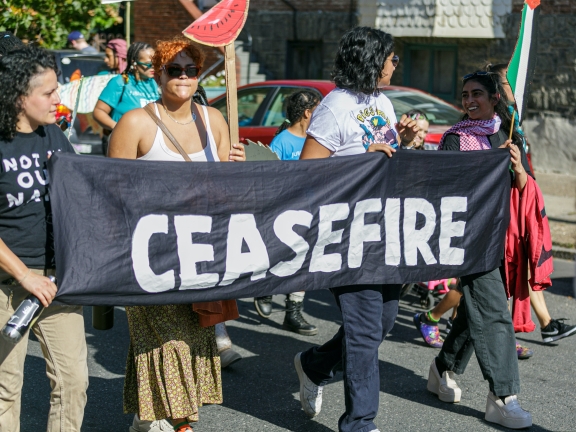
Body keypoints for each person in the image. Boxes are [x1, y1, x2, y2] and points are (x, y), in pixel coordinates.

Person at [108, 36, 245, 432]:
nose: (182, 77)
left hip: (201, 253)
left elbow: (227, 195)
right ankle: (181, 423)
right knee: (169, 340)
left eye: (190, 70)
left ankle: (147, 415)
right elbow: (111, 192)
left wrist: (235, 167)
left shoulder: (213, 120)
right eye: (173, 69)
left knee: (189, 339)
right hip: (150, 255)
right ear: (157, 73)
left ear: (200, 76)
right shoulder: (135, 122)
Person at [293, 27, 419, 432]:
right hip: (345, 233)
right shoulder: (335, 105)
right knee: (365, 332)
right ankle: (360, 423)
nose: (395, 63)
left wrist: (402, 141)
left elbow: (380, 153)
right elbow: (308, 173)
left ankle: (314, 365)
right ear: (370, 58)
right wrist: (364, 158)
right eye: (391, 56)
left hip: (383, 229)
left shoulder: (380, 101)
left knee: (381, 323)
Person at [428, 70, 533, 429]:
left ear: (494, 99)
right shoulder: (455, 139)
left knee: (476, 312)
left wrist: (516, 167)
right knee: (493, 313)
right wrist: (489, 164)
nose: (470, 101)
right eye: (465, 95)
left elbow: (524, 188)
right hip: (471, 239)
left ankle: (442, 369)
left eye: (477, 94)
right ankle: (503, 397)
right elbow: (447, 188)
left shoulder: (509, 134)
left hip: (505, 240)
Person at [0, 46, 88, 432]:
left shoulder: (54, 135)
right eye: (49, 92)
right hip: (7, 283)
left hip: (56, 281)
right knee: (5, 388)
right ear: (20, 97)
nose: (59, 99)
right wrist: (24, 275)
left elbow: (85, 193)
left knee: (73, 383)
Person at [254, 90, 320, 335]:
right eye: (319, 109)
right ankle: (264, 289)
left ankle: (293, 311)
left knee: (303, 259)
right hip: (282, 211)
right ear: (307, 113)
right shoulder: (282, 141)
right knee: (277, 255)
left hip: (309, 210)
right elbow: (269, 177)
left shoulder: (317, 140)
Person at [94, 42, 159, 134]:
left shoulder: (156, 83)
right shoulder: (121, 82)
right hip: (124, 140)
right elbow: (99, 111)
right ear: (134, 63)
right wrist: (118, 128)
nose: (153, 67)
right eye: (148, 64)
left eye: (156, 63)